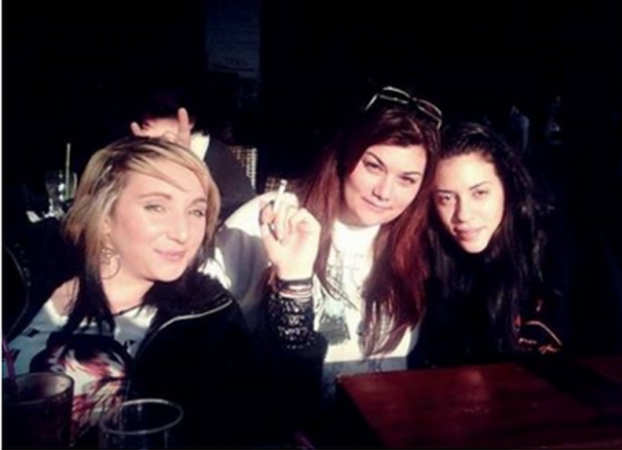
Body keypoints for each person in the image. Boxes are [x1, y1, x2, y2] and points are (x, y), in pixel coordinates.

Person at [205, 85, 441, 441]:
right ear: (344, 156)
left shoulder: (421, 243)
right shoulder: (273, 218)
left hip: (384, 432)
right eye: (373, 166)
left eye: (407, 179)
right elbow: (202, 334)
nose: (385, 192)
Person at [4, 137, 261, 447]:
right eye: (156, 207)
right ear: (104, 216)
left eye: (196, 211)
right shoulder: (20, 275)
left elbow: (243, 429)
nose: (182, 233)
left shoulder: (209, 318)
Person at [411, 122, 566, 368]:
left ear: (508, 187)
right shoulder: (433, 264)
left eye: (480, 193)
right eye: (446, 198)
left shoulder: (563, 250)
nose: (463, 214)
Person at [129, 86, 256, 222]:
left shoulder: (213, 155)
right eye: (147, 108)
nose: (147, 116)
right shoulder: (152, 150)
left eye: (161, 111)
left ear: (190, 121)